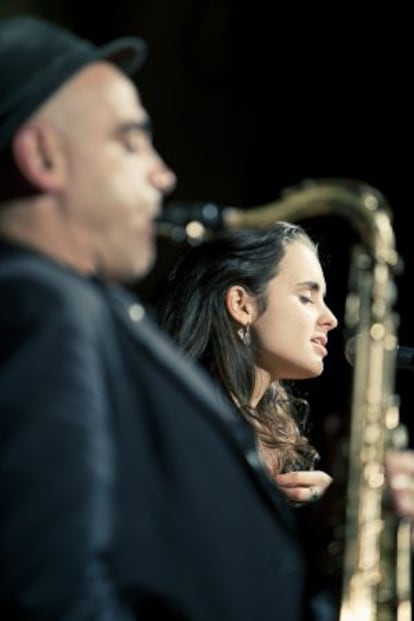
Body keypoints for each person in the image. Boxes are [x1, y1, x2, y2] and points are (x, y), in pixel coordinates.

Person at [0, 14, 330, 621]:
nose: (164, 173)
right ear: (43, 155)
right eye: (130, 141)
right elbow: (54, 594)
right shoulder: (39, 303)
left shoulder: (88, 306)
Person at [154, 223, 337, 500]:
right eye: (306, 298)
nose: (330, 319)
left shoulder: (277, 437)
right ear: (241, 304)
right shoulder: (179, 424)